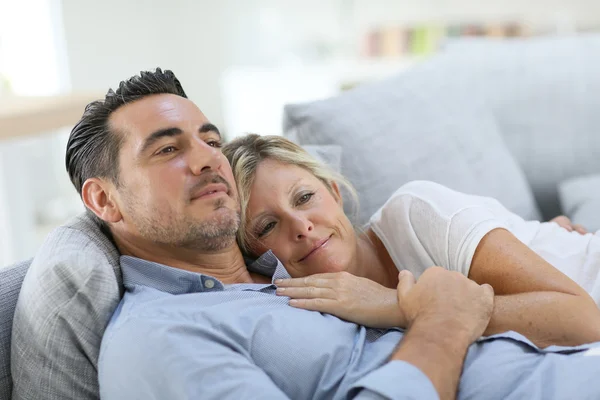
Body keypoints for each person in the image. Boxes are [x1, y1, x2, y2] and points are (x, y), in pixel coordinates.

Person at [68, 69, 600, 400]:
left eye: (210, 140)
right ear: (104, 200)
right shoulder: (160, 339)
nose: (208, 161)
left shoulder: (272, 277)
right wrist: (440, 322)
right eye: (167, 149)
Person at [223, 134, 600, 348]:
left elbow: (584, 321)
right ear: (255, 257)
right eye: (268, 226)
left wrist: (401, 306)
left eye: (305, 198)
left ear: (335, 193)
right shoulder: (310, 314)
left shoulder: (414, 211)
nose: (301, 226)